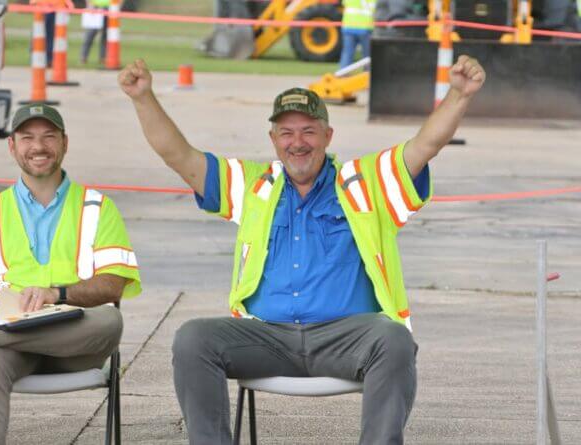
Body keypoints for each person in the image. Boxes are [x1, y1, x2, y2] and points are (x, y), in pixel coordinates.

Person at [119, 54, 485, 444]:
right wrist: (143, 99)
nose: (298, 143)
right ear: (273, 140)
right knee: (193, 339)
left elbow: (425, 145)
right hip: (266, 337)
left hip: (347, 337)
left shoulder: (365, 183)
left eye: (309, 131)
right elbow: (179, 156)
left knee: (393, 340)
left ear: (328, 137)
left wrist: (459, 94)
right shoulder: (252, 185)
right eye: (287, 132)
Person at [0, 104, 141, 445]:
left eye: (49, 136)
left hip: (77, 344)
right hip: (15, 349)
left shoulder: (98, 208)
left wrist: (56, 294)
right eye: (27, 137)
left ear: (64, 143)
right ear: (12, 146)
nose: (38, 146)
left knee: (111, 321)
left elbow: (114, 284)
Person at [339, 0, 376, 69]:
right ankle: (368, 75)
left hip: (349, 27)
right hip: (365, 27)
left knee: (347, 54)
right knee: (367, 56)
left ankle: (343, 75)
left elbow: (344, 4)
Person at [80, 0, 110, 65]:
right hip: (95, 8)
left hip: (109, 8)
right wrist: (90, 5)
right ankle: (83, 57)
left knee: (105, 37)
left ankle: (103, 58)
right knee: (90, 35)